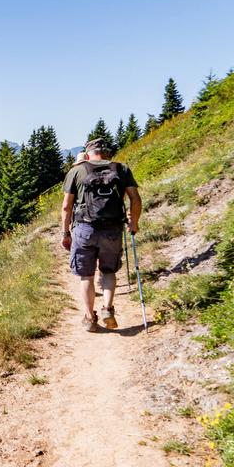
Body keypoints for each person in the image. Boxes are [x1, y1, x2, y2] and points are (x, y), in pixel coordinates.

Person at [61, 138, 142, 331]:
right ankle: (107, 309)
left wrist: (65, 233)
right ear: (106, 153)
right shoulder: (121, 169)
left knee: (86, 276)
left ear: (88, 154)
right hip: (113, 228)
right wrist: (134, 222)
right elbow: (135, 199)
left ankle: (90, 319)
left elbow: (66, 206)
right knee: (108, 271)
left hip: (84, 229)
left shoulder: (77, 171)